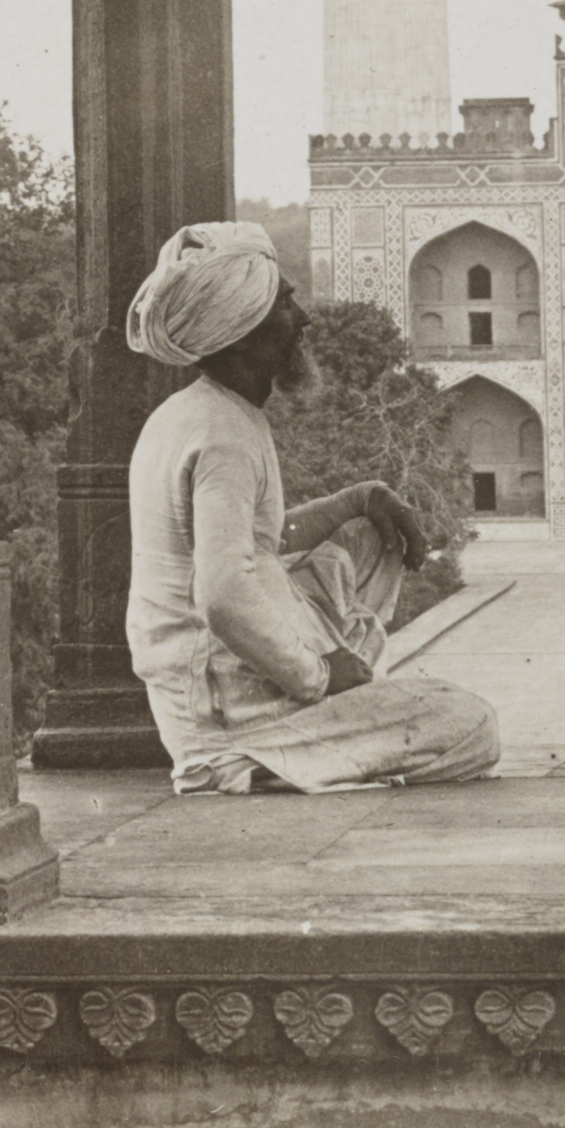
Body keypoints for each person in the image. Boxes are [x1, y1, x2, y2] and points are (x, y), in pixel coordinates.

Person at [120, 221, 509, 796]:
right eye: (285, 304)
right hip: (224, 711)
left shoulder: (205, 412)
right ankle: (263, 758)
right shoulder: (222, 435)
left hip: (216, 671)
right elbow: (223, 595)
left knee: (367, 534)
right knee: (471, 724)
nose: (303, 319)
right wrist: (320, 675)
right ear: (244, 331)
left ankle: (335, 708)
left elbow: (261, 542)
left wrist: (362, 499)